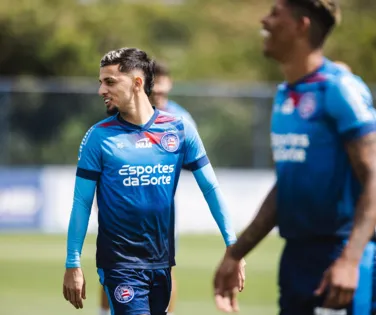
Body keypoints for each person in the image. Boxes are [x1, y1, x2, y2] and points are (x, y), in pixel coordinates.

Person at [214, 1, 376, 314]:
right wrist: (236, 253)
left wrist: (350, 261)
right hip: (297, 261)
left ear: (301, 25)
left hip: (339, 260)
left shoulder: (338, 88)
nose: (264, 20)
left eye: (275, 13)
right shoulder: (285, 94)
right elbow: (287, 188)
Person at [62, 47, 245, 315]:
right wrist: (72, 262)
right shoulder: (98, 137)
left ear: (137, 83)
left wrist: (233, 246)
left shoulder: (180, 129)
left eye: (110, 81)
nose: (102, 90)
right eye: (100, 82)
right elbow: (81, 202)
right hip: (120, 264)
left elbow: (211, 189)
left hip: (162, 262)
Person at [97, 61, 195, 315]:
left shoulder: (180, 120)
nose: (160, 97)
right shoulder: (125, 116)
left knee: (167, 267)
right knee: (113, 263)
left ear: (170, 86)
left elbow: (192, 160)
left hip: (160, 212)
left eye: (164, 91)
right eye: (156, 92)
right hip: (121, 209)